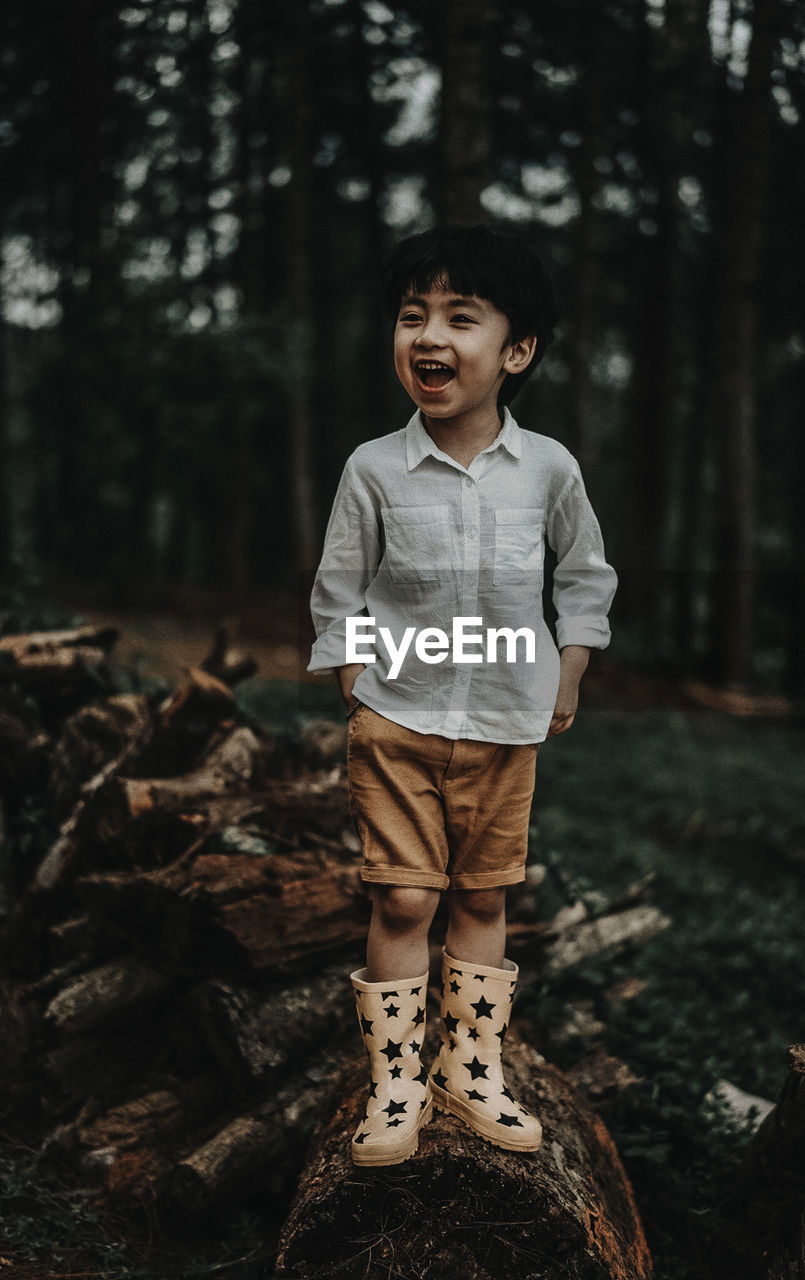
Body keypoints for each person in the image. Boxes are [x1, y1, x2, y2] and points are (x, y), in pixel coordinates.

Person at [308, 224, 617, 1166]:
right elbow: (340, 585)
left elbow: (586, 574)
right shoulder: (373, 468)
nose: (429, 336)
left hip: (505, 726)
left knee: (484, 897)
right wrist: (357, 681)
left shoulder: (550, 470)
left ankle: (469, 1071)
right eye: (412, 317)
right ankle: (395, 1081)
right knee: (403, 900)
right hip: (398, 722)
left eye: (460, 317)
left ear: (515, 351)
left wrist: (570, 663)